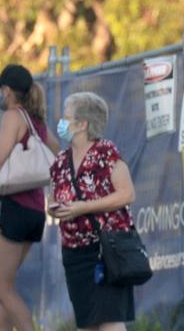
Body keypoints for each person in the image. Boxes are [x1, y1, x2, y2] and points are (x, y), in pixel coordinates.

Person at [49, 91, 137, 331]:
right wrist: (57, 209)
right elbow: (53, 199)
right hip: (74, 253)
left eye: (66, 118)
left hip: (106, 249)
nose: (62, 123)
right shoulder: (60, 161)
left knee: (110, 320)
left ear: (82, 124)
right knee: (86, 322)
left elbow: (127, 194)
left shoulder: (105, 153)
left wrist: (84, 208)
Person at [0, 64, 59, 331]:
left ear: (7, 91)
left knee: (0, 287)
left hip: (11, 208)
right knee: (4, 287)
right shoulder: (35, 121)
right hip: (34, 213)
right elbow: (54, 147)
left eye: (1, 89)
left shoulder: (12, 117)